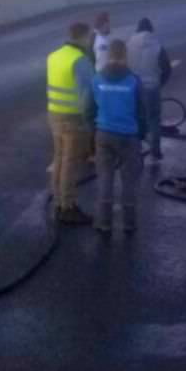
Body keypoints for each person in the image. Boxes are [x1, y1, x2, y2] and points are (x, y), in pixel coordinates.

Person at [90, 40, 147, 233]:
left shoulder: (97, 79)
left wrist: (94, 129)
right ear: (124, 55)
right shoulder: (133, 80)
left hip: (104, 134)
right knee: (128, 180)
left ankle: (104, 223)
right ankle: (129, 224)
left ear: (109, 55)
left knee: (105, 178)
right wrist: (142, 133)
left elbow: (87, 108)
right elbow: (142, 110)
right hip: (129, 136)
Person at [46, 22, 96, 225]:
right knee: (70, 163)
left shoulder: (54, 56)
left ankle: (58, 200)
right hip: (73, 118)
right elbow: (89, 92)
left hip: (54, 115)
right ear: (84, 36)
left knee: (59, 159)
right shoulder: (80, 60)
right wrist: (90, 120)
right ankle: (68, 206)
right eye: (89, 36)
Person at [126, 18, 172, 165]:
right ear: (151, 30)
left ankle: (136, 149)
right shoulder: (157, 45)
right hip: (152, 88)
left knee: (136, 119)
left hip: (133, 88)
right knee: (154, 119)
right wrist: (160, 83)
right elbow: (167, 68)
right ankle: (155, 150)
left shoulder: (128, 44)